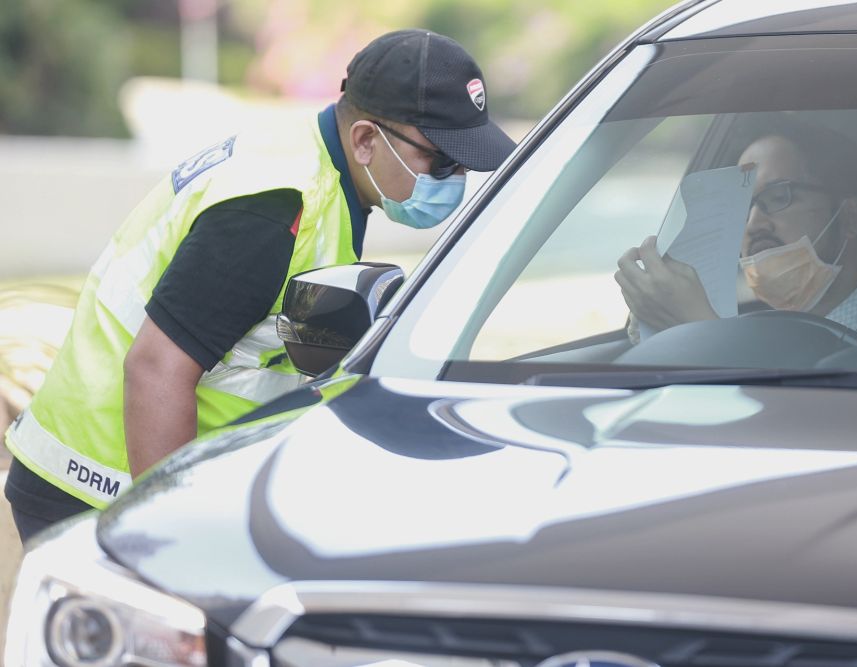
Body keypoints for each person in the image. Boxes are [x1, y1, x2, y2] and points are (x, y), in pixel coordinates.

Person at [4, 29, 515, 543]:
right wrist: (173, 541)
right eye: (442, 160)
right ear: (365, 140)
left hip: (146, 474)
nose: (456, 177)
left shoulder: (323, 172)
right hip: (100, 489)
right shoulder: (274, 212)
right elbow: (156, 369)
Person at [616, 122, 857, 343]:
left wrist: (701, 334)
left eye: (778, 196)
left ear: (849, 217)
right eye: (743, 207)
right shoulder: (748, 327)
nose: (753, 225)